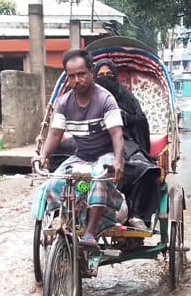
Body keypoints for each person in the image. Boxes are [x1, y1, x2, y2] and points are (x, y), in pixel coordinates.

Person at [36, 49, 126, 248]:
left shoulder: (105, 99)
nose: (77, 80)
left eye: (81, 74)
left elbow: (116, 134)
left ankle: (90, 232)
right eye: (72, 76)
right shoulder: (63, 102)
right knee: (52, 186)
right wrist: (43, 155)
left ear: (91, 72)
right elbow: (54, 134)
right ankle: (68, 219)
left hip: (105, 154)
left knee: (99, 180)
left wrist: (118, 160)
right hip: (81, 155)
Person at [92, 58, 161, 230]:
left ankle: (137, 215)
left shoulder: (127, 98)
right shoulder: (89, 97)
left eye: (109, 74)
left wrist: (124, 118)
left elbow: (141, 122)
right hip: (95, 142)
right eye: (100, 75)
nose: (105, 78)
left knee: (146, 169)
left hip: (126, 142)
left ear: (115, 76)